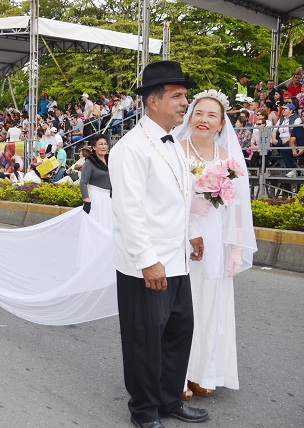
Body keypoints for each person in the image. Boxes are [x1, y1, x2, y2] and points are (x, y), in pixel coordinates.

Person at [109, 60, 208, 428]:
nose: (186, 103)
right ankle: (145, 411)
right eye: (178, 97)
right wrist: (147, 259)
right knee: (145, 342)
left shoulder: (175, 145)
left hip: (178, 259)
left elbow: (185, 196)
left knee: (178, 333)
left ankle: (169, 400)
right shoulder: (130, 148)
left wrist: (193, 231)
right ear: (153, 102)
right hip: (146, 265)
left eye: (186, 96)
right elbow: (128, 210)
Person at [173, 89, 257, 401]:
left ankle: (202, 372)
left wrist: (235, 248)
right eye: (199, 113)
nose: (204, 120)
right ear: (189, 117)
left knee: (211, 307)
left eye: (212, 115)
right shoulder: (176, 151)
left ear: (222, 123)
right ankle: (176, 374)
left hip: (216, 243)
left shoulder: (230, 160)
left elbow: (237, 208)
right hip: (181, 239)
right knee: (181, 310)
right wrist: (191, 209)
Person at [79, 134, 112, 229]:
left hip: (109, 198)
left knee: (109, 226)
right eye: (100, 144)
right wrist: (86, 200)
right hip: (96, 197)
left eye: (105, 144)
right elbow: (83, 182)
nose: (104, 146)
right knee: (97, 225)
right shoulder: (90, 162)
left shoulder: (111, 159)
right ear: (94, 147)